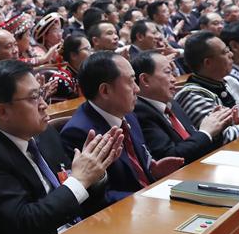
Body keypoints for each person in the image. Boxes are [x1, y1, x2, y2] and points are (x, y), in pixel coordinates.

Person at [0, 60, 120, 234]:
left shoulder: (44, 134)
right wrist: (79, 181)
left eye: (41, 94)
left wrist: (95, 173)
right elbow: (25, 223)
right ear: (3, 111)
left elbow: (73, 198)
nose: (44, 105)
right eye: (33, 98)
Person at [62, 51, 183, 206]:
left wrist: (152, 172)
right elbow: (97, 198)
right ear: (105, 90)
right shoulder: (79, 133)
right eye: (130, 82)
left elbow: (136, 172)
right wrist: (148, 198)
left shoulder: (129, 114)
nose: (137, 89)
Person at [131, 52, 229, 164]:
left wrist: (217, 125)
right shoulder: (139, 112)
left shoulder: (171, 103)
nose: (174, 79)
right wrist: (206, 132)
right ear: (145, 80)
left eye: (173, 73)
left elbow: (194, 143)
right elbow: (172, 158)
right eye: (168, 72)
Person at [174, 31, 239, 143]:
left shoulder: (220, 83)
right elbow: (224, 138)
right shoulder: (193, 95)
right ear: (208, 63)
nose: (231, 54)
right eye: (225, 52)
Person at [51, 34, 92, 99]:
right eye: (87, 49)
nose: (91, 52)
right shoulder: (61, 80)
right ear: (73, 55)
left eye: (90, 48)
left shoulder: (90, 72)